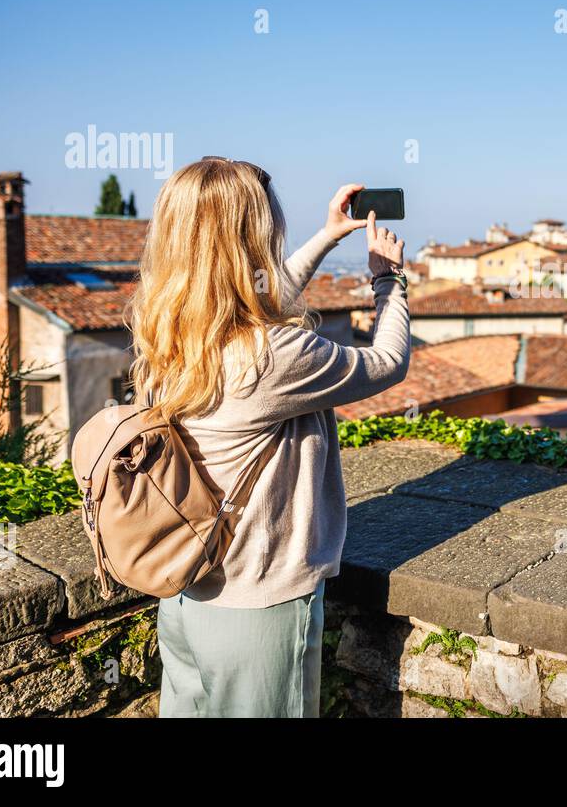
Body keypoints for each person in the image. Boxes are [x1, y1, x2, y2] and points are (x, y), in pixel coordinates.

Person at [127, 157, 409, 717]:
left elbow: (256, 301)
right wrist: (388, 280)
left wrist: (328, 237)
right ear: (254, 234)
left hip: (189, 594)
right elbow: (387, 361)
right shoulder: (272, 355)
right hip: (257, 603)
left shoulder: (173, 330)